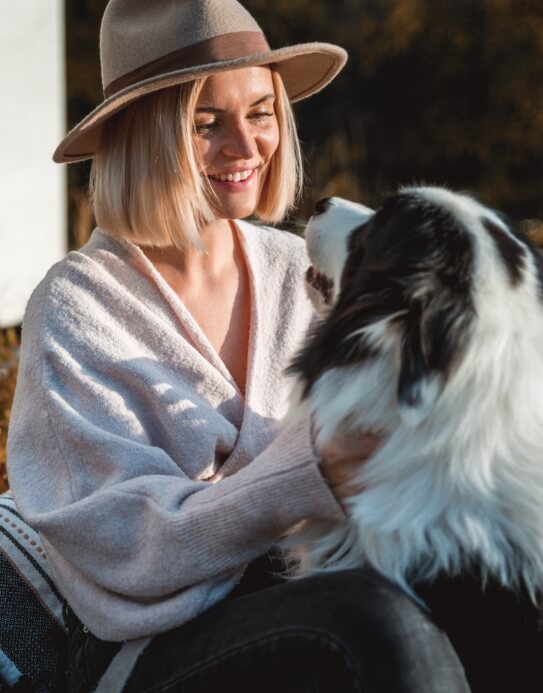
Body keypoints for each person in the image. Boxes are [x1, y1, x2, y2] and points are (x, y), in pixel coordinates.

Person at [7, 0, 471, 690]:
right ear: (142, 135)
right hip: (145, 651)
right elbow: (124, 553)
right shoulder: (76, 307)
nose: (246, 146)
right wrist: (304, 471)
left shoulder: (300, 268)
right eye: (205, 123)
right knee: (374, 625)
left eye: (260, 112)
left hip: (319, 584)